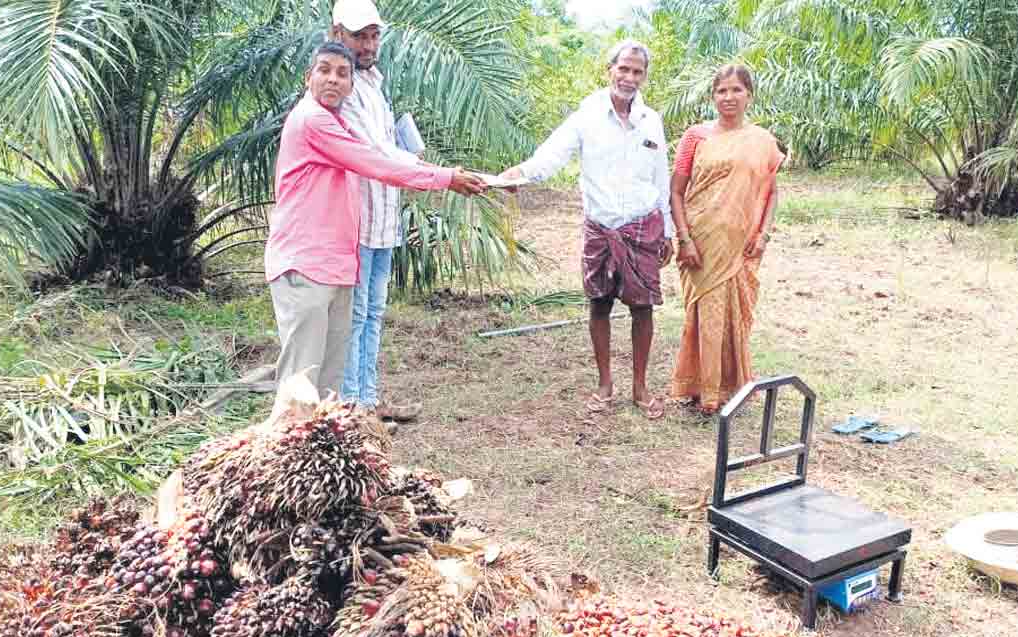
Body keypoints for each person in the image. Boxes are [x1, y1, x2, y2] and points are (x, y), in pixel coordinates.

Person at [265, 42, 485, 403]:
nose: (332, 80)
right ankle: (284, 455)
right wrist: (445, 178)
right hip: (304, 266)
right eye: (324, 70)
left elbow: (384, 155)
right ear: (308, 78)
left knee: (328, 388)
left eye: (342, 73)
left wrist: (447, 174)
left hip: (336, 267)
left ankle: (326, 455)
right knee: (300, 387)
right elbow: (376, 165)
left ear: (352, 86)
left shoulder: (339, 123)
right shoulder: (313, 121)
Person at [499, 39, 675, 420]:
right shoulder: (587, 115)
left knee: (643, 308)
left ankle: (640, 386)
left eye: (637, 71)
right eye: (623, 69)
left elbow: (662, 177)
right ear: (609, 69)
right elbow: (552, 155)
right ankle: (604, 383)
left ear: (645, 76)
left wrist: (670, 230)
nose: (629, 77)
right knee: (599, 303)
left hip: (644, 225)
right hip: (600, 226)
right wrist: (520, 174)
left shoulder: (652, 120)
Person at [668, 64, 784, 415]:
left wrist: (763, 235)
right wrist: (685, 239)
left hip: (742, 244)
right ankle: (702, 391)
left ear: (749, 95)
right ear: (712, 96)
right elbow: (675, 192)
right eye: (722, 91)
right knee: (704, 314)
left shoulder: (763, 141)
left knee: (734, 315)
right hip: (700, 242)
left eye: (737, 90)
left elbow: (771, 192)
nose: (729, 97)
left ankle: (730, 386)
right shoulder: (695, 137)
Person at [330, 0, 422, 424]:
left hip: (384, 217)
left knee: (375, 311)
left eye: (373, 35)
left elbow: (393, 148)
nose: (368, 45)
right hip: (357, 221)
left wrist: (416, 162)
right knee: (356, 313)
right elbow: (375, 153)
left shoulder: (375, 85)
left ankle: (369, 398)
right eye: (358, 36)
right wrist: (435, 174)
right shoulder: (341, 89)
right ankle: (352, 406)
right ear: (337, 35)